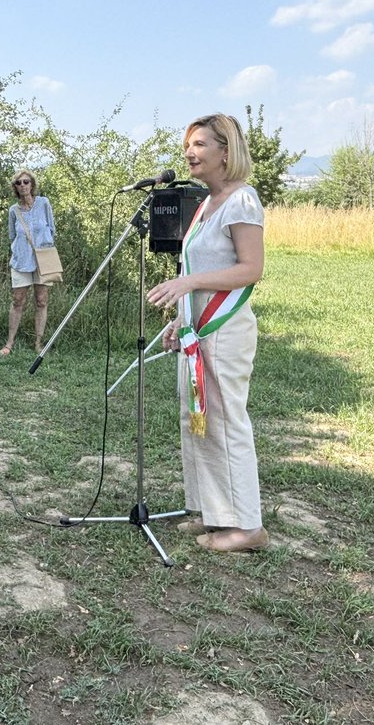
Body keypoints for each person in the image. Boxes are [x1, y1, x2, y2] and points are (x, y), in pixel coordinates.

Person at [147, 113, 268, 553]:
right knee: (197, 420)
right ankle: (214, 514)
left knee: (226, 423)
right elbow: (198, 265)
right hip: (198, 331)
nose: (189, 152)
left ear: (225, 151)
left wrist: (188, 285)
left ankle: (249, 526)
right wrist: (180, 319)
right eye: (188, 145)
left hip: (227, 331)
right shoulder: (206, 203)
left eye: (199, 144)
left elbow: (250, 268)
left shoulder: (242, 200)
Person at [0, 170, 57, 356]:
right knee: (18, 300)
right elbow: (12, 235)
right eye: (18, 182)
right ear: (15, 187)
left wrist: (44, 247)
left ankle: (38, 342)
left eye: (26, 182)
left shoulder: (44, 203)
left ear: (32, 184)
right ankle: (9, 343)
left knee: (41, 300)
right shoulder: (13, 210)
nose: (23, 185)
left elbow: (52, 228)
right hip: (21, 260)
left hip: (43, 258)